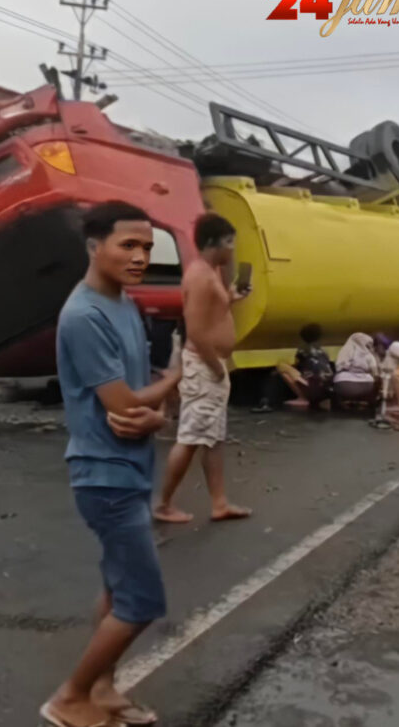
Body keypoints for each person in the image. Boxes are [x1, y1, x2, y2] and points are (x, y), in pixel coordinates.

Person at [44, 201, 182, 727]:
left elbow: (139, 404)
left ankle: (101, 688)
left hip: (129, 468)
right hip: (104, 475)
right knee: (142, 599)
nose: (141, 255)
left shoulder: (124, 303)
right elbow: (126, 408)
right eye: (129, 245)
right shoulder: (84, 316)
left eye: (147, 246)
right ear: (93, 247)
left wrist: (155, 411)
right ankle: (70, 698)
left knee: (118, 584)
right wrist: (171, 383)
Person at [153, 213, 252, 524]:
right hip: (205, 366)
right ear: (212, 244)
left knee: (213, 438)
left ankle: (219, 502)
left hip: (213, 364)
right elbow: (195, 330)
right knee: (193, 436)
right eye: (228, 243)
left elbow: (212, 312)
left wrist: (231, 298)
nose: (232, 249)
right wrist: (216, 368)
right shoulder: (200, 276)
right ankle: (164, 503)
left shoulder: (212, 273)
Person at [253, 323, 334, 412]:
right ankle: (320, 399)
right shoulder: (324, 351)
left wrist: (278, 371)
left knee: (282, 366)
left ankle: (302, 398)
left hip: (313, 388)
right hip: (327, 389)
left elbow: (298, 367)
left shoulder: (303, 350)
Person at [332, 332, 379, 405]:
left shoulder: (344, 351)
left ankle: (342, 401)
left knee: (337, 377)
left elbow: (338, 368)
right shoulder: (368, 354)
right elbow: (375, 372)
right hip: (366, 386)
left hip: (344, 386)